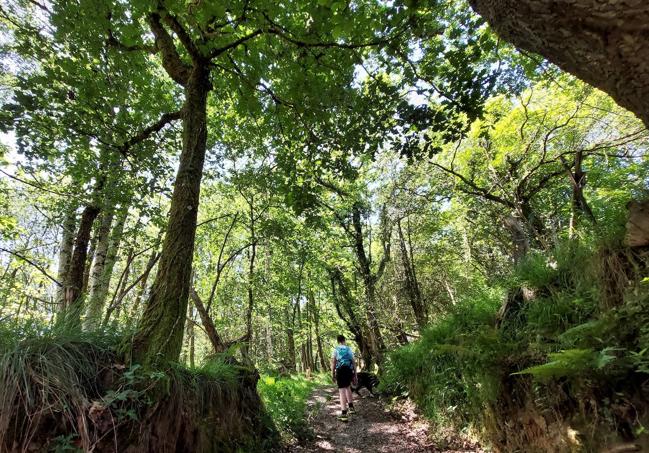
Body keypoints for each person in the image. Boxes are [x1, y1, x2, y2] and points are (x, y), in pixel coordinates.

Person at [331, 334, 357, 421]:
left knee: (341, 391)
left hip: (340, 370)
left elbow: (333, 362)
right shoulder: (349, 349)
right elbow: (353, 362)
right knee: (348, 387)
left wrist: (333, 374)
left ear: (338, 341)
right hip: (349, 370)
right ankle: (351, 408)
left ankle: (344, 413)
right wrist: (355, 375)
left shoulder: (336, 349)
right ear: (344, 340)